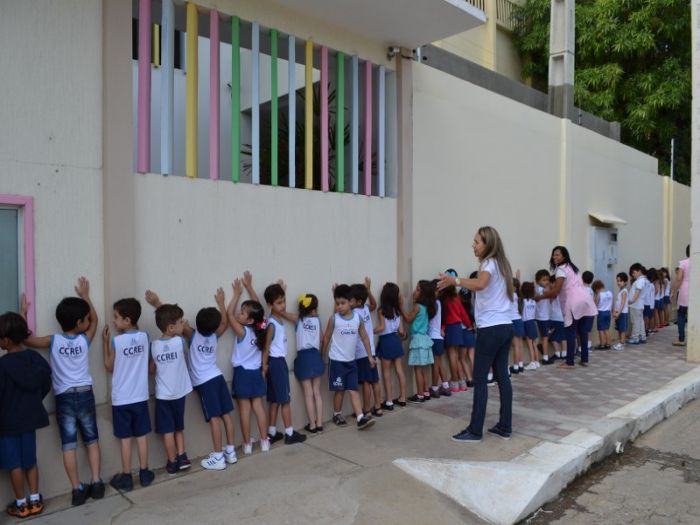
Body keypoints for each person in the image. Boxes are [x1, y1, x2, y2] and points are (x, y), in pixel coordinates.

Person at [23, 278, 104, 505]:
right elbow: (96, 320)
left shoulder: (53, 341)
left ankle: (77, 489)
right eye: (85, 319)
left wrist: (23, 315)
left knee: (69, 445)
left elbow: (28, 340)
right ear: (79, 323)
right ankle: (97, 482)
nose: (88, 321)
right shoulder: (84, 340)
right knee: (92, 440)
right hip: (85, 393)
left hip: (64, 397)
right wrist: (86, 295)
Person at [438, 226, 515, 443]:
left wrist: (455, 281)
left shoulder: (489, 263)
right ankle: (505, 426)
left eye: (477, 242)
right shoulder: (502, 264)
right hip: (505, 326)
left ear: (488, 244)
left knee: (480, 379)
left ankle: (475, 430)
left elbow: (480, 284)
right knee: (502, 376)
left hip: (491, 329)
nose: (473, 245)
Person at [0, 312, 52, 518]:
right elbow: (46, 381)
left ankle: (21, 504)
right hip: (30, 419)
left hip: (8, 423)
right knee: (30, 460)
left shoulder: (2, 366)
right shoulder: (34, 359)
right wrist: (34, 400)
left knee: (14, 464)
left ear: (5, 340)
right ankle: (35, 500)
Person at [179, 288, 237, 470]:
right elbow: (225, 322)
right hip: (218, 377)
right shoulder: (215, 335)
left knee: (214, 418)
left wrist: (157, 303)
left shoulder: (192, 335)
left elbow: (177, 323)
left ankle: (218, 457)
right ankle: (230, 452)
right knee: (226, 415)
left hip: (205, 383)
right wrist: (221, 302)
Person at [103, 298, 154, 492]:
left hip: (121, 399)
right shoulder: (145, 337)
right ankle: (144, 473)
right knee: (141, 436)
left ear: (127, 320)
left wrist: (105, 344)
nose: (113, 321)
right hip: (140, 397)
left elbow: (109, 366)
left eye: (116, 317)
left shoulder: (117, 341)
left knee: (125, 439)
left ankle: (126, 477)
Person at [143, 300, 193, 474]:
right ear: (171, 327)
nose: (183, 324)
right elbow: (186, 342)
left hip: (163, 396)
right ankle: (182, 456)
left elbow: (151, 370)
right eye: (180, 322)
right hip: (180, 394)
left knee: (167, 431)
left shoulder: (154, 346)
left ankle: (172, 462)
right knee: (179, 427)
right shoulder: (179, 342)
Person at [321, 284, 375, 430]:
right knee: (340, 390)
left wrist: (370, 356)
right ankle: (337, 414)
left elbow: (365, 337)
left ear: (351, 302)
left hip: (351, 362)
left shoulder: (358, 318)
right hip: (337, 361)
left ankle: (360, 418)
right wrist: (322, 355)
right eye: (337, 303)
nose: (340, 306)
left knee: (353, 389)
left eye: (343, 303)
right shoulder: (334, 319)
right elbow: (326, 338)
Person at [226, 275, 270, 454]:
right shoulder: (261, 328)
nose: (239, 313)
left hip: (242, 374)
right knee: (258, 407)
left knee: (244, 409)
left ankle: (247, 445)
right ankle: (264, 441)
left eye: (243, 313)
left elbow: (229, 314)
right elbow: (258, 308)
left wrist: (236, 294)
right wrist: (250, 288)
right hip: (256, 373)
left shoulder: (242, 331)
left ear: (250, 320)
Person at [262, 282, 306, 445]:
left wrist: (281, 290)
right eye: (279, 303)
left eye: (283, 301)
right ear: (270, 304)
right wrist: (264, 366)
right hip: (277, 363)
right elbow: (266, 347)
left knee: (274, 400)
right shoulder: (272, 324)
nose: (283, 305)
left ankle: (272, 432)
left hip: (276, 363)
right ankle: (289, 433)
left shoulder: (276, 319)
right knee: (285, 400)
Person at [539, 246, 597, 368]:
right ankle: (585, 359)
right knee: (583, 331)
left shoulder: (561, 270)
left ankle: (569, 362)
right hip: (585, 299)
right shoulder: (573, 268)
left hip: (573, 301)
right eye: (554, 254)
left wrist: (539, 297)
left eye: (557, 255)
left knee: (570, 332)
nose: (554, 257)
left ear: (564, 256)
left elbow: (556, 291)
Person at [293, 293, 325, 433]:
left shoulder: (297, 319)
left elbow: (281, 312)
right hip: (315, 356)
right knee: (317, 392)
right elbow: (322, 338)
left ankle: (312, 425)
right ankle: (320, 424)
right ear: (312, 310)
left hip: (304, 358)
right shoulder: (317, 320)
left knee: (308, 394)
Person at [350, 280, 383, 417]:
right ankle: (378, 407)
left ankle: (367, 409)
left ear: (358, 301)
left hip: (361, 352)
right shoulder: (365, 308)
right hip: (371, 351)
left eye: (350, 299)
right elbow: (374, 304)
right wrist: (368, 291)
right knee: (374, 380)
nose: (348, 301)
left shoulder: (353, 313)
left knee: (365, 382)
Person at [400, 280, 436, 403]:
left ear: (423, 294)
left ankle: (420, 394)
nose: (415, 291)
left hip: (418, 340)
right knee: (422, 368)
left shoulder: (418, 307)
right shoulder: (425, 307)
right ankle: (425, 392)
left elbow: (408, 318)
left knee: (418, 369)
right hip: (424, 339)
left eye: (418, 289)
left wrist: (400, 306)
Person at [374, 282, 408, 409]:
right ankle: (403, 398)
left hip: (386, 341)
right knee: (399, 370)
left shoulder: (381, 310)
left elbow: (382, 327)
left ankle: (389, 401)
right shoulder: (398, 311)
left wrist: (370, 331)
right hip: (396, 340)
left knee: (386, 372)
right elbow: (401, 331)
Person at [439, 270, 472, 393]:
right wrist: (469, 325)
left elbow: (443, 316)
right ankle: (461, 382)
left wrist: (442, 328)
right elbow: (463, 313)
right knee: (456, 356)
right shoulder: (456, 298)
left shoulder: (444, 299)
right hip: (458, 327)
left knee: (452, 356)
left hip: (450, 327)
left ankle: (454, 382)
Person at [428, 280, 451, 397]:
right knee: (438, 363)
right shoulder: (439, 303)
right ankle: (446, 386)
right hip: (438, 338)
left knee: (435, 365)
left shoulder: (432, 303)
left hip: (433, 337)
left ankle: (434, 387)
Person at [671, 245, 690, 347]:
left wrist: (673, 291)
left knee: (681, 314)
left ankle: (681, 339)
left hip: (685, 290)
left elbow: (679, 278)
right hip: (696, 290)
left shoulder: (683, 263)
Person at [534, 269, 553, 364]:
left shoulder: (540, 288)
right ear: (538, 281)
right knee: (545, 337)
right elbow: (547, 292)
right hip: (542, 317)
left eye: (547, 279)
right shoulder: (540, 289)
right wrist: (550, 286)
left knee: (546, 335)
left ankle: (541, 347)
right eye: (544, 280)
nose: (546, 282)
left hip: (545, 316)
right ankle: (545, 357)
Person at [520, 282, 539, 370]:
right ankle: (537, 361)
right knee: (534, 343)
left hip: (526, 323)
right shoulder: (534, 302)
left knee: (529, 344)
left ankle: (532, 362)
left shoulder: (523, 302)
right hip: (533, 322)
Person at [627, 263, 648, 345]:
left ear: (639, 271)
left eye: (634, 273)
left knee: (635, 321)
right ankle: (642, 336)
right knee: (640, 321)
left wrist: (632, 301)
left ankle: (635, 337)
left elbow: (637, 292)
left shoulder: (639, 281)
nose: (633, 275)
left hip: (636, 305)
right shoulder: (643, 280)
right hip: (639, 305)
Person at [509, 278, 525, 375]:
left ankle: (515, 366)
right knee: (519, 345)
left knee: (515, 346)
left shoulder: (511, 295)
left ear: (514, 287)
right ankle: (520, 365)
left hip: (513, 321)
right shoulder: (517, 295)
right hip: (518, 320)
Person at [548, 274, 566, 360]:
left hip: (556, 317)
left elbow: (550, 300)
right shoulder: (563, 291)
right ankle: (564, 353)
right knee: (562, 336)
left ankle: (558, 353)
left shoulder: (555, 292)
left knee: (553, 337)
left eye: (550, 283)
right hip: (562, 317)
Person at [592, 280, 613, 350]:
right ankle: (608, 344)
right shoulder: (610, 293)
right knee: (606, 329)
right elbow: (612, 303)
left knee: (601, 329)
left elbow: (596, 304)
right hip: (608, 312)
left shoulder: (599, 294)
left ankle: (602, 344)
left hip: (601, 313)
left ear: (596, 288)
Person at [612, 272, 629, 351]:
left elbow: (622, 303)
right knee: (619, 328)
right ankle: (620, 342)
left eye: (621, 281)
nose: (618, 282)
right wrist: (615, 311)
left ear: (625, 282)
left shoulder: (624, 291)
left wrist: (618, 313)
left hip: (622, 313)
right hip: (619, 312)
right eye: (618, 281)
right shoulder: (620, 290)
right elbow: (618, 303)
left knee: (622, 329)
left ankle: (622, 343)